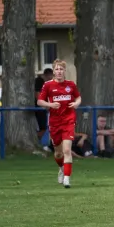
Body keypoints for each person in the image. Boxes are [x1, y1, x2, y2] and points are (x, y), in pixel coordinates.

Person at [37, 59, 81, 188]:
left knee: (67, 150)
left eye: (61, 69)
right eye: (57, 69)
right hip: (55, 122)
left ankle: (67, 179)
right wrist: (50, 104)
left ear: (64, 71)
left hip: (68, 120)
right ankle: (61, 168)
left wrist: (76, 103)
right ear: (54, 71)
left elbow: (78, 97)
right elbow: (40, 101)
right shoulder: (48, 85)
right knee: (58, 153)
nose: (59, 71)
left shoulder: (71, 85)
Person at [35, 68, 53, 139]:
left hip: (43, 107)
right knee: (43, 127)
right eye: (49, 78)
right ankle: (36, 140)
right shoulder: (39, 81)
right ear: (45, 75)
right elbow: (37, 94)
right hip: (39, 107)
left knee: (44, 127)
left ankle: (37, 141)